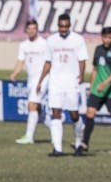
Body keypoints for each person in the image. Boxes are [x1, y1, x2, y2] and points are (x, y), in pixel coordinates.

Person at [36, 13, 87, 157]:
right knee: (56, 114)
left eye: (65, 26)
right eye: (61, 26)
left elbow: (82, 59)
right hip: (56, 83)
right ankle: (57, 148)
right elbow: (48, 62)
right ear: (58, 26)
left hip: (72, 82)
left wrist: (81, 75)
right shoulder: (51, 41)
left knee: (74, 115)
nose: (63, 29)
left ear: (69, 26)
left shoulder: (78, 40)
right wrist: (40, 81)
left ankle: (78, 143)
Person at [81, 26, 111, 154]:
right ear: (101, 37)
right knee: (90, 113)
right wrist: (91, 86)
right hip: (98, 89)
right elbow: (95, 69)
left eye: (110, 38)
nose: (107, 40)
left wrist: (105, 84)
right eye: (105, 37)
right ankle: (85, 143)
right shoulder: (98, 50)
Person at [9, 19, 50, 145]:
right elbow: (21, 61)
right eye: (29, 28)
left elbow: (49, 62)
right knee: (37, 109)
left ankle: (29, 137)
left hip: (43, 78)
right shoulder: (24, 45)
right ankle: (55, 128)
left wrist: (45, 78)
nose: (32, 31)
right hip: (31, 79)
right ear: (26, 30)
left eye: (34, 28)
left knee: (32, 104)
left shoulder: (44, 43)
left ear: (37, 29)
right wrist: (15, 73)